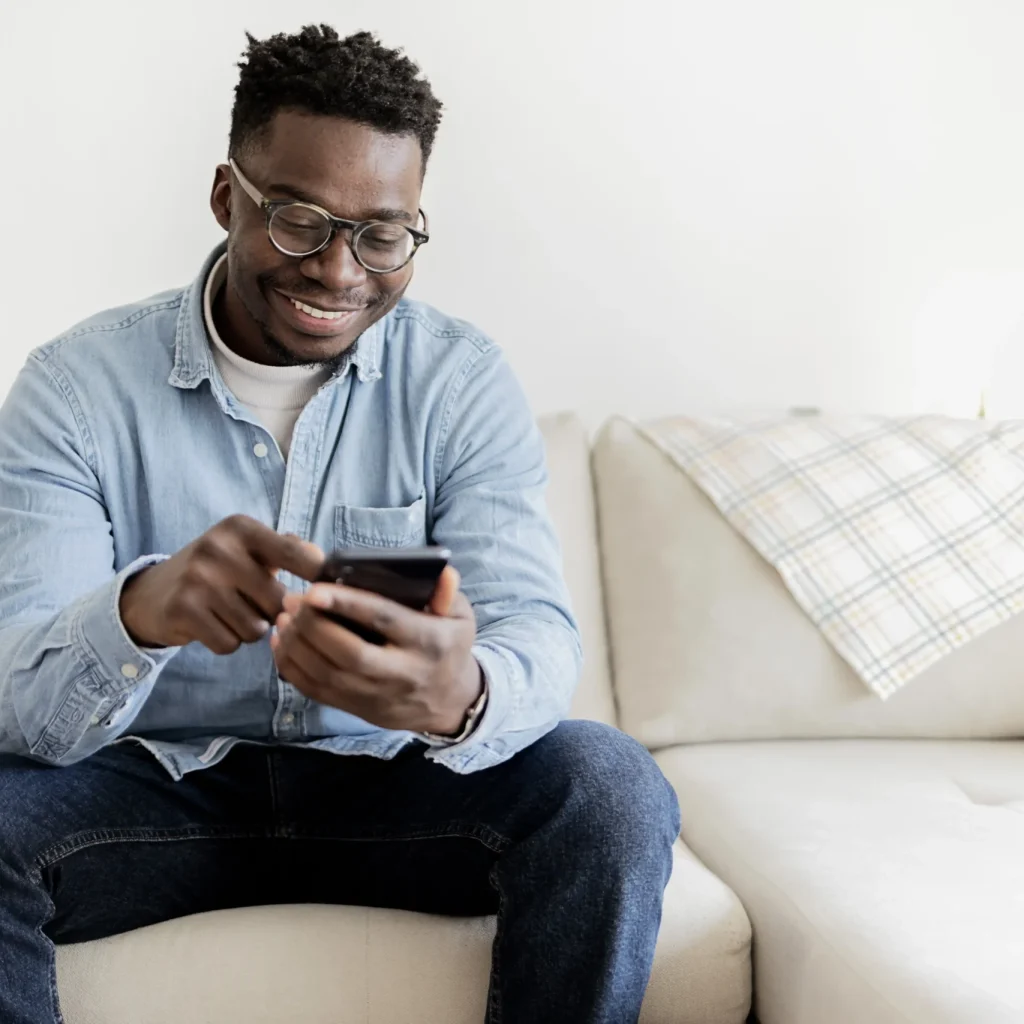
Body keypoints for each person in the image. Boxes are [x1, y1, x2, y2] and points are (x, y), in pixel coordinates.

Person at [0, 25, 679, 1024]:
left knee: (613, 785)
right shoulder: (75, 388)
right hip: (152, 792)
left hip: (394, 789)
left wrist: (461, 694)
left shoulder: (459, 381)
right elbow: (18, 703)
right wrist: (138, 612)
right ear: (230, 196)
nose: (339, 269)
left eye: (382, 232)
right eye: (301, 220)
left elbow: (536, 632)